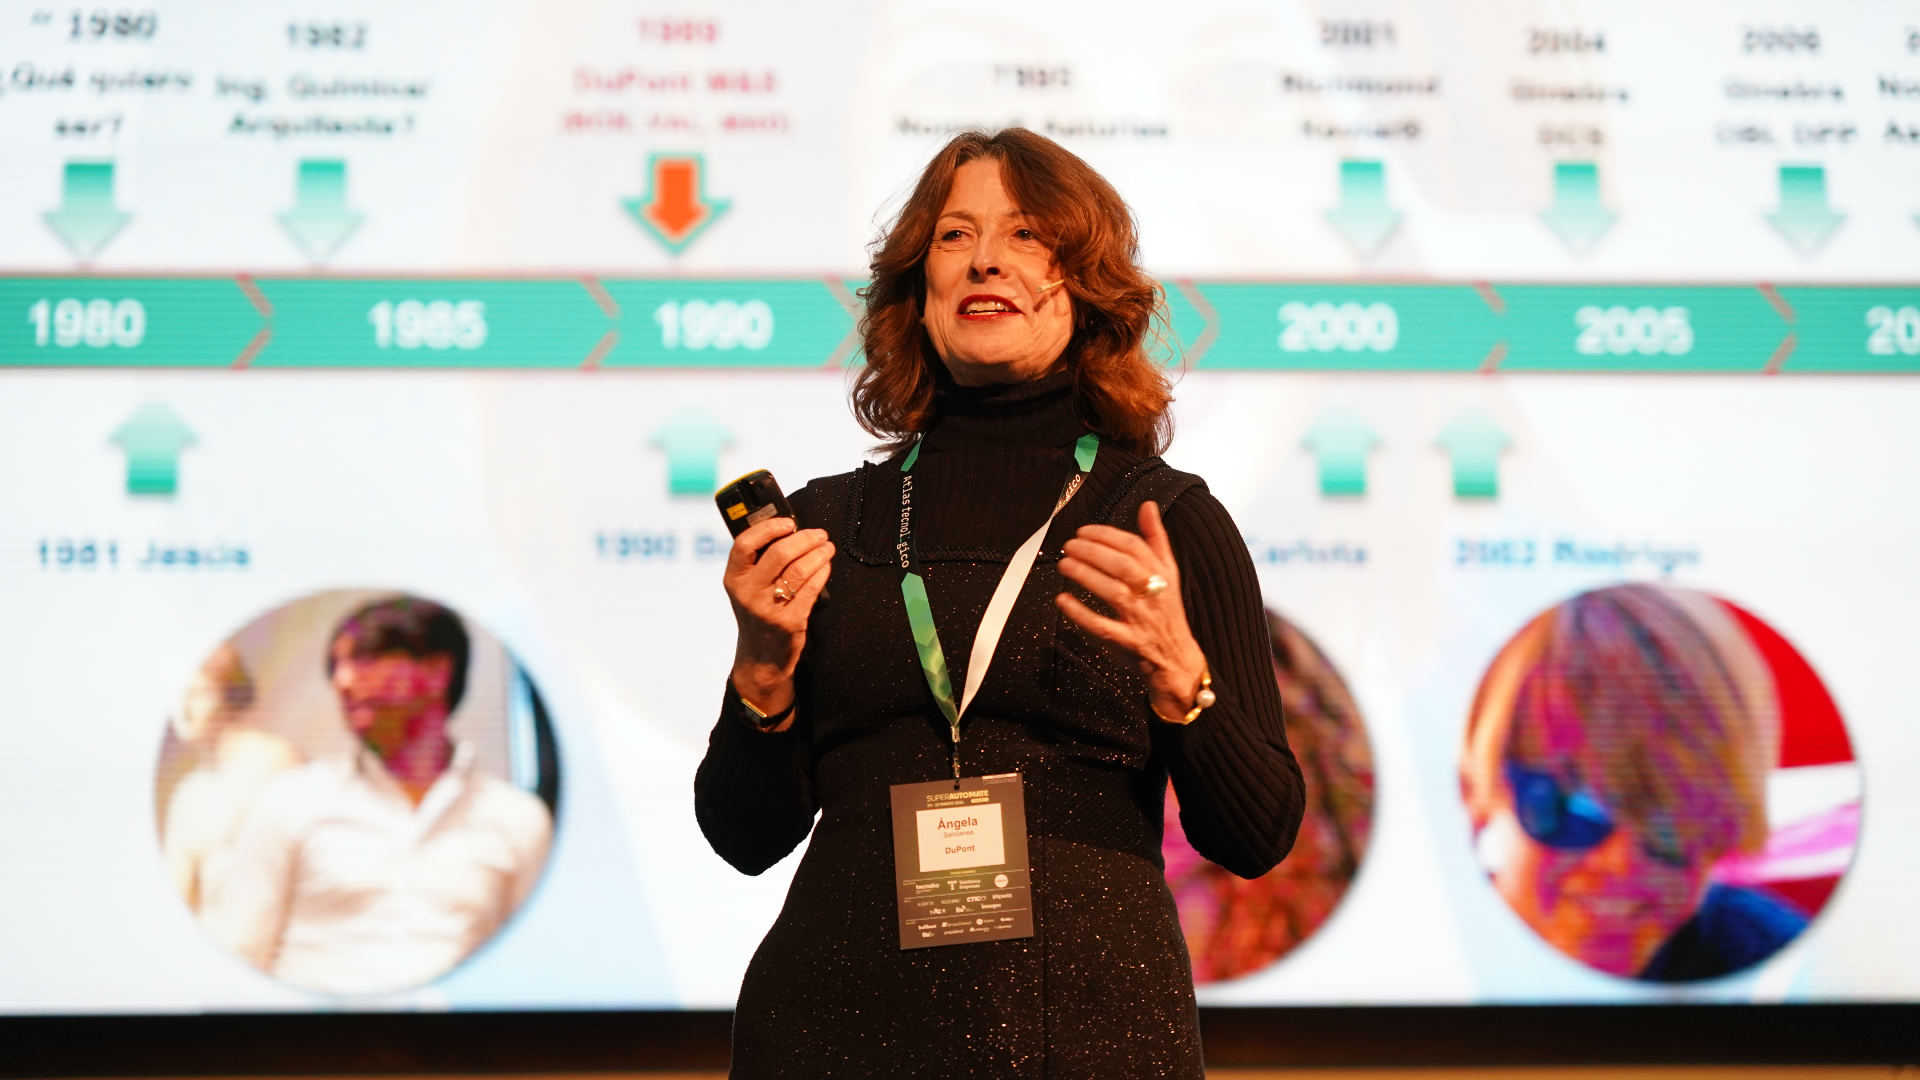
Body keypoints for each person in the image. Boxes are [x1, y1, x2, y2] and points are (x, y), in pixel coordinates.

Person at [694, 128, 1305, 1077]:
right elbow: (745, 838)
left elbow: (1257, 837)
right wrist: (762, 675)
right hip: (830, 1033)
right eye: (954, 235)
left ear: (1088, 288)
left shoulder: (1164, 521)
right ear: (919, 290)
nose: (986, 259)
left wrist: (1183, 682)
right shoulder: (825, 528)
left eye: (1026, 234)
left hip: (1090, 1040)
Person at [200, 597, 552, 996]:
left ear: (436, 671)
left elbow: (535, 975)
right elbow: (238, 955)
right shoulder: (289, 802)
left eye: (363, 659)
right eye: (336, 667)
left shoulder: (517, 819)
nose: (342, 681)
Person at [1461, 582, 1809, 982]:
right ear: (1483, 788)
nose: (1622, 861)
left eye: (1673, 816)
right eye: (1577, 802)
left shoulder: (1783, 969)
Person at [161, 642, 302, 912]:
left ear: (228, 694)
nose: (185, 709)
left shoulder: (274, 761)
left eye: (197, 694)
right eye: (177, 696)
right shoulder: (188, 796)